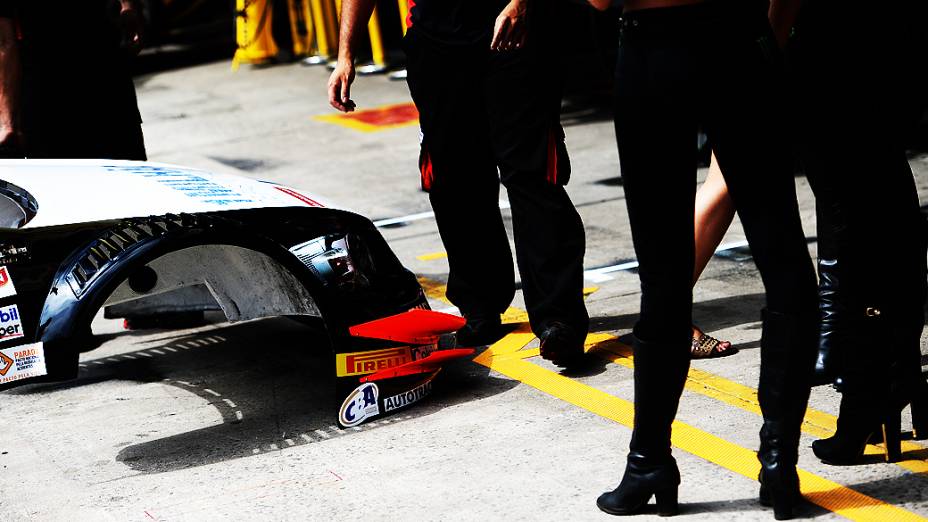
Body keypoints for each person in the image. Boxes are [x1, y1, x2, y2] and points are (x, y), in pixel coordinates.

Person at [593, 0, 818, 519]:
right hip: (738, 41)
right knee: (782, 249)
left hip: (655, 46)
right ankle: (781, 463)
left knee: (664, 270)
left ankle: (648, 461)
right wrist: (769, 38)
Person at [328, 0, 590, 366]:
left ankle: (559, 320)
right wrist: (345, 57)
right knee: (454, 181)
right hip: (436, 45)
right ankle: (479, 309)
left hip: (514, 35)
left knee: (532, 177)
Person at [795, 0, 928, 464]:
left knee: (848, 203)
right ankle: (903, 377)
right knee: (883, 189)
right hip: (886, 27)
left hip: (826, 35)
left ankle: (868, 391)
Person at [0, 0, 146, 160]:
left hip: (101, 82)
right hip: (56, 97)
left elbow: (5, 43)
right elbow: (5, 42)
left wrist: (8, 123)